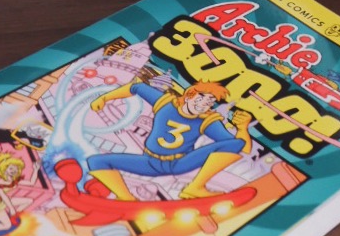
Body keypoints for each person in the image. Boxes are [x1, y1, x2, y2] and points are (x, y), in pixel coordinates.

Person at [85, 78, 252, 201]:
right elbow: (137, 87)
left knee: (233, 143)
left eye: (210, 102)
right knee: (96, 161)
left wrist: (242, 128)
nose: (203, 104)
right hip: (149, 161)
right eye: (200, 98)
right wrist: (105, 98)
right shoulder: (165, 103)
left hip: (181, 162)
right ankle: (126, 198)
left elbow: (241, 147)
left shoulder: (208, 120)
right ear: (188, 95)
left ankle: (195, 187)